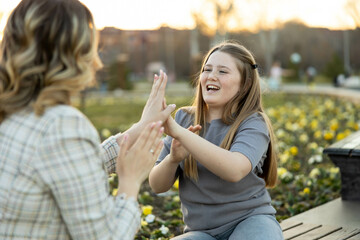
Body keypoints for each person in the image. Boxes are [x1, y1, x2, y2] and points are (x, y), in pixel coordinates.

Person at [0, 0, 175, 239]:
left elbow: (66, 166)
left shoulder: (13, 111)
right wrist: (130, 183)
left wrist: (140, 128)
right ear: (75, 53)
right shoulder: (62, 125)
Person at [149, 41, 284, 240]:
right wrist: (173, 159)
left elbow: (234, 170)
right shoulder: (184, 119)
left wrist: (179, 133)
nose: (211, 76)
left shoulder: (253, 123)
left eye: (222, 71)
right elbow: (157, 185)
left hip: (251, 222)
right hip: (201, 233)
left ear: (244, 84)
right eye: (207, 69)